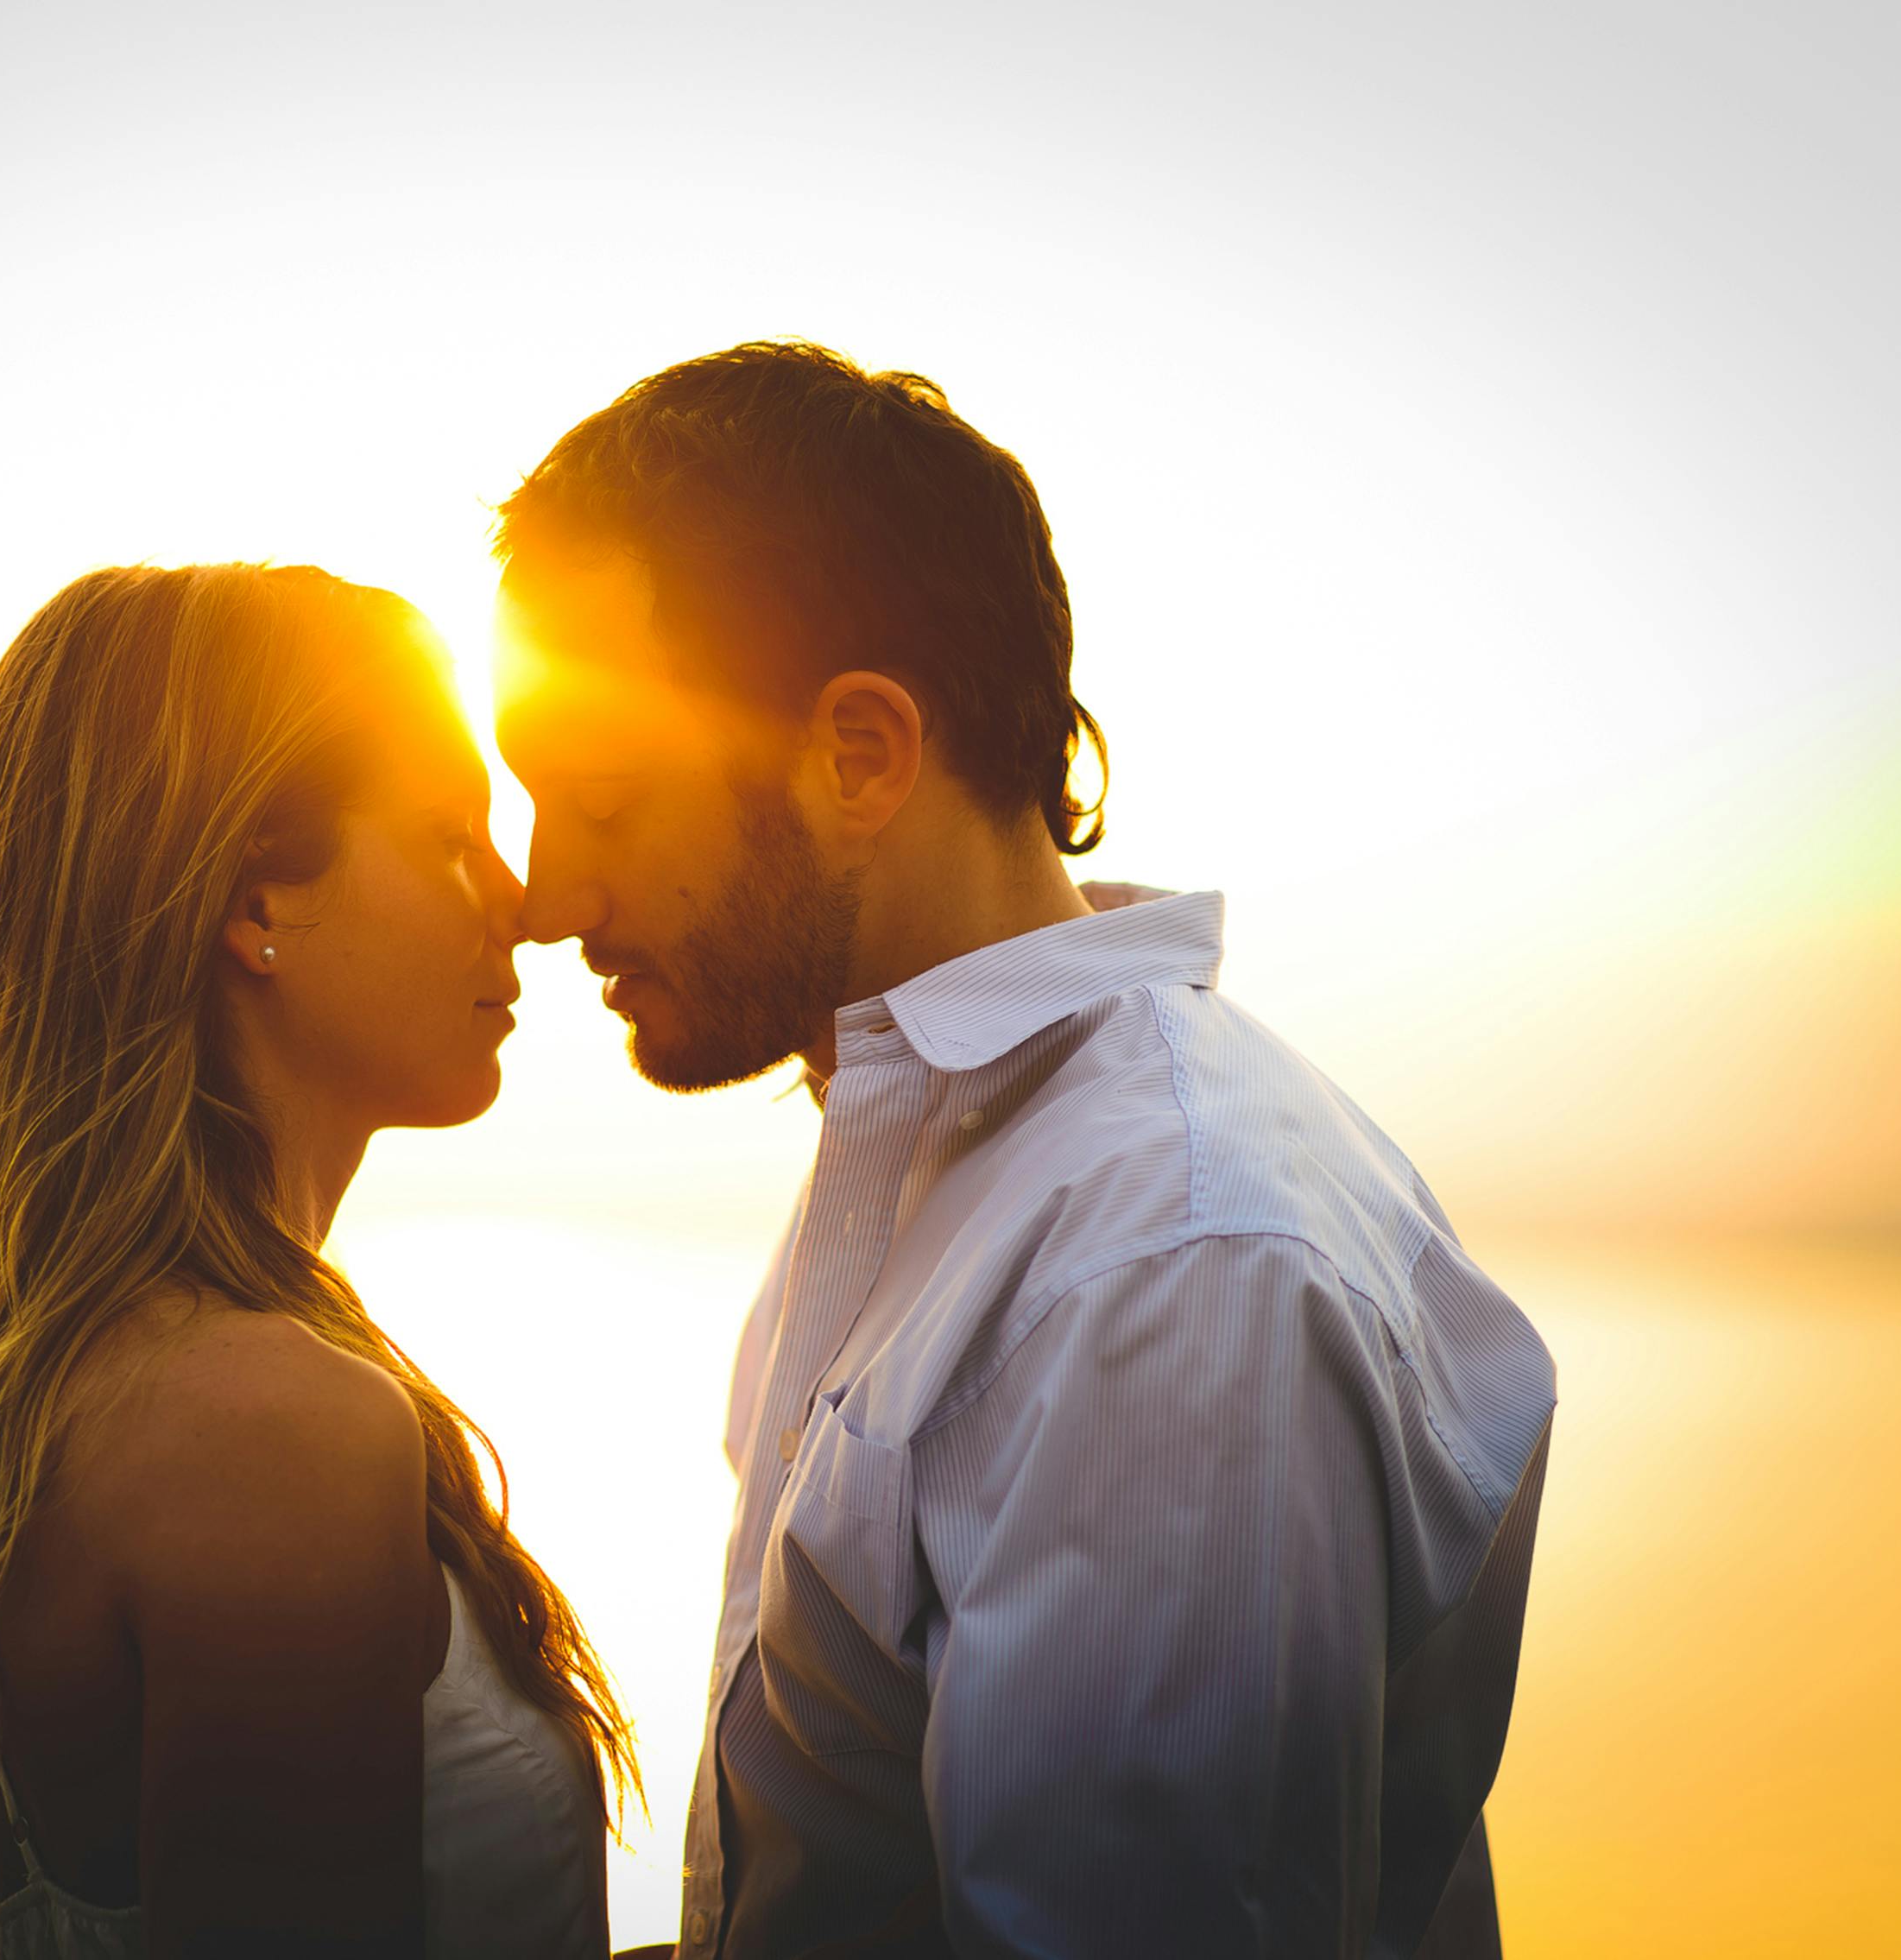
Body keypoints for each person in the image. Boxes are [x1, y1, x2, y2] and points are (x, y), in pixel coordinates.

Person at [491, 342, 1559, 1959]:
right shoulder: (940, 1164)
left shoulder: (1165, 1266)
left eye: (603, 800)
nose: (541, 892)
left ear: (860, 751)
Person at [0, 564, 635, 1960]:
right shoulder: (266, 1424)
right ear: (258, 906)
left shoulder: (53, 1378)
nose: (521, 899)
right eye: (447, 834)